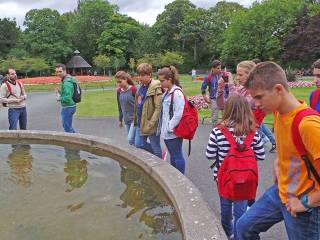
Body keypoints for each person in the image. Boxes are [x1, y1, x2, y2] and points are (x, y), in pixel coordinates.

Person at [236, 62, 320, 240]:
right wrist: (278, 162)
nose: (256, 104)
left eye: (259, 97)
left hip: (303, 205)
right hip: (281, 192)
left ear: (278, 89)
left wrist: (306, 202)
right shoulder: (277, 111)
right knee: (243, 227)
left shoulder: (309, 125)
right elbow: (290, 148)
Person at [206, 94, 265, 240]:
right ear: (247, 110)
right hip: (245, 180)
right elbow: (261, 155)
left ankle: (230, 234)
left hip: (224, 178)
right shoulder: (253, 132)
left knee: (225, 212)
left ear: (227, 110)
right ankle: (240, 236)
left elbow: (209, 154)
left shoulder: (218, 131)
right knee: (241, 213)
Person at [217, 60, 276, 153]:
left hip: (248, 134)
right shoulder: (241, 89)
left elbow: (239, 105)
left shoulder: (256, 91)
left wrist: (231, 85)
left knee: (246, 162)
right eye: (237, 75)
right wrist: (220, 90)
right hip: (236, 132)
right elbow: (222, 106)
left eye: (240, 75)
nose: (237, 78)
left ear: (251, 75)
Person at [157, 66, 186, 174]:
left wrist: (169, 127)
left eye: (162, 81)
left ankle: (180, 179)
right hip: (168, 131)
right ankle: (175, 175)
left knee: (177, 155)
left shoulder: (177, 93)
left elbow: (179, 113)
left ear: (170, 80)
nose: (161, 83)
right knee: (173, 154)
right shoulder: (167, 92)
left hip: (174, 131)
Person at [133, 63, 163, 158]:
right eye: (139, 75)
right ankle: (156, 155)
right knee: (138, 144)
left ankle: (161, 164)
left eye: (142, 75)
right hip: (140, 121)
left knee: (155, 147)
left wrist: (151, 123)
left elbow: (158, 108)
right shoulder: (141, 87)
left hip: (150, 123)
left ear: (149, 75)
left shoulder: (155, 87)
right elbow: (138, 103)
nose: (139, 77)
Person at [201, 60, 229, 125]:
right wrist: (205, 97)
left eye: (220, 68)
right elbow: (203, 87)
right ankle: (215, 131)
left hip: (223, 98)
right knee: (214, 116)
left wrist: (228, 96)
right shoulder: (209, 77)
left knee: (226, 116)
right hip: (214, 99)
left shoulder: (224, 75)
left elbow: (227, 86)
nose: (220, 69)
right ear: (213, 68)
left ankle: (226, 131)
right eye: (218, 68)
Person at [115, 71, 137, 145]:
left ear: (125, 79)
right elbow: (120, 106)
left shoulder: (133, 90)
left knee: (130, 139)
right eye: (117, 82)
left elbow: (139, 105)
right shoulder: (118, 91)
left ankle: (154, 151)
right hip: (126, 120)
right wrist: (120, 120)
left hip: (135, 120)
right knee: (133, 143)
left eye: (120, 82)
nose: (118, 84)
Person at [55, 63, 78, 133]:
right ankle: (77, 138)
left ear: (65, 71)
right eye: (57, 72)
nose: (58, 73)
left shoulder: (67, 82)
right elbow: (68, 93)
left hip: (68, 107)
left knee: (67, 127)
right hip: (71, 106)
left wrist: (59, 98)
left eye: (60, 71)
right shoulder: (68, 79)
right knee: (68, 126)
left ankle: (74, 142)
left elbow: (68, 97)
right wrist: (60, 92)